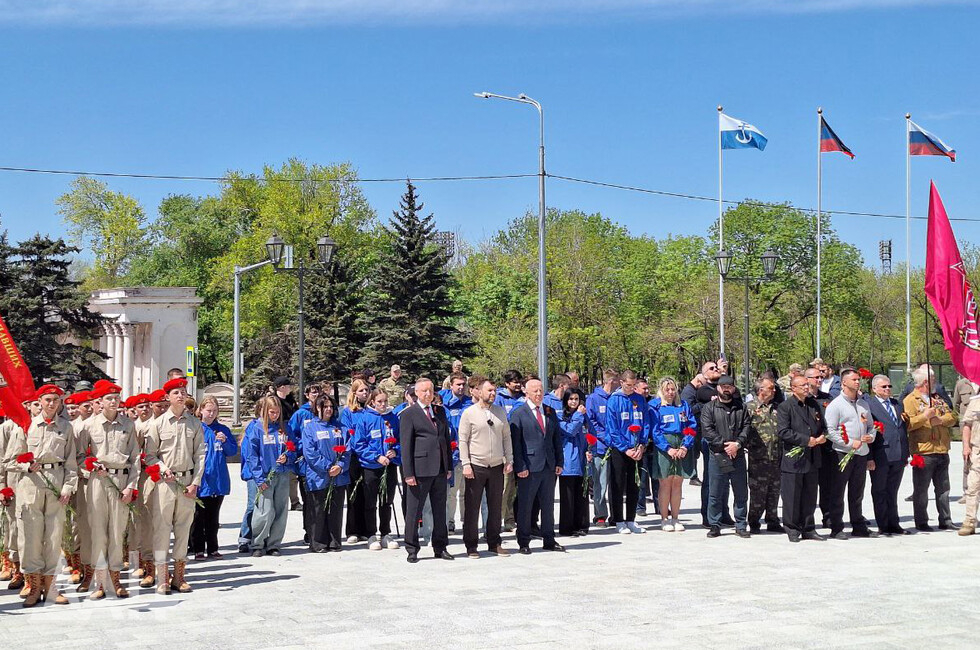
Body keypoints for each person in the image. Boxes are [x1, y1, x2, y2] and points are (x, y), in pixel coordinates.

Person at [9, 385, 78, 607]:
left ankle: (51, 586)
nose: (51, 404)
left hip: (56, 485)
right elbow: (9, 460)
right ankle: (34, 585)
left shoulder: (66, 428)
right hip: (31, 486)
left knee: (53, 537)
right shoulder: (26, 426)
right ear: (39, 401)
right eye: (47, 400)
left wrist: (68, 487)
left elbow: (71, 463)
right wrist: (27, 467)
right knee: (30, 538)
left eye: (55, 400)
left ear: (60, 403)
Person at [74, 382, 139, 599]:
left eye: (116, 398)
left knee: (117, 531)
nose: (113, 401)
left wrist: (131, 486)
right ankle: (100, 582)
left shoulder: (128, 425)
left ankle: (116, 580)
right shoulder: (88, 426)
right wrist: (91, 465)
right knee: (98, 532)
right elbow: (80, 457)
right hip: (98, 482)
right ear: (99, 402)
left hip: (121, 481)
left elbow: (135, 459)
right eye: (109, 398)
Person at [144, 377, 205, 594]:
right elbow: (149, 455)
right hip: (165, 484)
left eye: (183, 392)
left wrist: (195, 482)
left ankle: (179, 577)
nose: (180, 396)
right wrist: (161, 467)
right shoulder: (157, 424)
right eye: (176, 393)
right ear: (167, 397)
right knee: (161, 530)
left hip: (187, 482)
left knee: (183, 529)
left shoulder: (195, 424)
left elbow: (200, 455)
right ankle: (162, 578)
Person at [458, 375, 513, 557]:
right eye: (489, 390)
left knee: (495, 507)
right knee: (472, 508)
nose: (493, 393)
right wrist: (466, 463)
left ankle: (494, 542)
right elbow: (463, 440)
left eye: (494, 391)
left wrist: (509, 459)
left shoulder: (499, 411)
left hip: (497, 465)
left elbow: (506, 436)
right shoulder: (469, 413)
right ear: (479, 392)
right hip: (476, 465)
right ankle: (471, 545)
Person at [400, 378, 454, 563]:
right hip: (420, 470)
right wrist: (408, 473)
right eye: (424, 391)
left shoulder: (439, 412)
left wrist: (448, 467)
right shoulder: (409, 414)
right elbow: (406, 446)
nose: (428, 394)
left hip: (439, 469)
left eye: (430, 391)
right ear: (416, 393)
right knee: (414, 511)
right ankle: (412, 548)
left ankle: (440, 547)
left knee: (440, 511)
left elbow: (445, 440)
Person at [510, 378, 565, 554]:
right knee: (526, 505)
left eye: (541, 390)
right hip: (529, 466)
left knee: (548, 505)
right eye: (535, 391)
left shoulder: (549, 412)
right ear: (526, 392)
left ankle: (549, 539)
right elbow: (516, 443)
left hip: (548, 466)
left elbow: (556, 438)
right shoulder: (519, 413)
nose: (539, 394)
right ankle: (524, 541)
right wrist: (520, 466)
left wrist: (559, 461)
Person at [824, 368, 878, 539]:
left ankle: (858, 525)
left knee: (857, 492)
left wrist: (871, 436)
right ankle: (837, 527)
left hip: (861, 453)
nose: (857, 382)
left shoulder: (863, 403)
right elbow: (830, 431)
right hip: (842, 454)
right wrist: (847, 443)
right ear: (844, 382)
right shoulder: (836, 405)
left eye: (858, 379)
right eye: (854, 379)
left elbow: (871, 425)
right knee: (838, 491)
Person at [904, 366, 957, 531]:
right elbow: (908, 424)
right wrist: (924, 417)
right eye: (933, 380)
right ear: (925, 381)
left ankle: (946, 520)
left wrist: (940, 420)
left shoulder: (937, 398)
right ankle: (922, 521)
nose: (935, 383)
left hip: (941, 448)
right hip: (924, 450)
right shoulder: (910, 400)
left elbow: (952, 416)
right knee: (921, 490)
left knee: (943, 489)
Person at [244, 395, 298, 557]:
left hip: (282, 474)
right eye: (272, 412)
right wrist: (260, 478)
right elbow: (251, 455)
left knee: (281, 510)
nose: (274, 415)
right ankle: (257, 543)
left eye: (277, 412)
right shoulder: (258, 428)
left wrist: (288, 457)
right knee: (264, 511)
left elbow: (293, 447)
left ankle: (274, 543)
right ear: (265, 411)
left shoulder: (284, 428)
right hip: (265, 476)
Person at [777, 376, 828, 542]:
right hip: (795, 458)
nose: (807, 387)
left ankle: (808, 528)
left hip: (813, 458)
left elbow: (823, 426)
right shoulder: (785, 407)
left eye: (808, 384)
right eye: (803, 385)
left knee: (810, 495)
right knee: (792, 496)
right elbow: (783, 432)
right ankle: (792, 528)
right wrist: (807, 440)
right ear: (793, 388)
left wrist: (822, 437)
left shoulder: (814, 404)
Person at [701, 376, 750, 538]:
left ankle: (741, 524)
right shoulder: (709, 408)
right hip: (717, 455)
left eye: (729, 386)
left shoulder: (741, 408)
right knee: (715, 492)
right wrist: (725, 445)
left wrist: (737, 444)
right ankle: (715, 524)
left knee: (741, 492)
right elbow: (707, 430)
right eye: (723, 386)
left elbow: (747, 428)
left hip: (738, 455)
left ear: (734, 388)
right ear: (718, 389)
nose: (726, 389)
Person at [352, 390, 401, 551]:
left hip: (389, 465)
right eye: (379, 401)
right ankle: (371, 533)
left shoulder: (393, 418)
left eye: (385, 401)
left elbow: (401, 439)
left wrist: (395, 451)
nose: (383, 404)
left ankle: (386, 532)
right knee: (370, 501)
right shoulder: (365, 418)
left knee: (386, 501)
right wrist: (376, 456)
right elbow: (359, 444)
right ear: (372, 402)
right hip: (371, 466)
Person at [190, 396, 237, 560]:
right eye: (208, 410)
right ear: (201, 410)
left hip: (218, 479)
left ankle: (213, 548)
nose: (211, 414)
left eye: (215, 411)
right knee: (199, 516)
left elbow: (232, 451)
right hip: (201, 479)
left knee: (213, 516)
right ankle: (197, 548)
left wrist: (225, 442)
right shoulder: (196, 428)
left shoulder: (222, 429)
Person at [302, 395, 351, 551]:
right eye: (325, 406)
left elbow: (348, 449)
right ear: (318, 408)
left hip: (338, 476)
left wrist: (340, 466)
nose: (329, 409)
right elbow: (310, 452)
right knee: (318, 510)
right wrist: (327, 467)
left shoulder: (340, 427)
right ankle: (318, 542)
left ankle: (334, 541)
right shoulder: (310, 428)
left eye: (331, 406)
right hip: (318, 476)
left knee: (335, 510)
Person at [648, 377, 697, 532]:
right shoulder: (655, 406)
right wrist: (667, 448)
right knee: (665, 482)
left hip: (681, 444)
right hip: (664, 446)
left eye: (673, 389)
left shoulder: (683, 405)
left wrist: (685, 446)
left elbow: (691, 426)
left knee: (677, 482)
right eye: (667, 390)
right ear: (661, 391)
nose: (670, 393)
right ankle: (664, 518)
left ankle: (676, 517)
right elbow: (654, 430)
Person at [602, 369, 647, 535]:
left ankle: (631, 519)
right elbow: (612, 429)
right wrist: (625, 449)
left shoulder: (639, 400)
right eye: (629, 385)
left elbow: (645, 423)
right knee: (618, 484)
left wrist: (642, 444)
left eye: (634, 385)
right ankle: (618, 520)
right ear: (621, 383)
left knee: (634, 484)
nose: (631, 388)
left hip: (637, 449)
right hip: (620, 450)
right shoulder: (614, 401)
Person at [864, 375, 910, 536]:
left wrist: (905, 454)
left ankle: (894, 523)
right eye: (883, 387)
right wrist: (869, 457)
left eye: (889, 386)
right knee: (879, 490)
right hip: (880, 454)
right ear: (874, 389)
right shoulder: (869, 405)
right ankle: (883, 524)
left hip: (898, 454)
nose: (888, 389)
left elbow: (902, 430)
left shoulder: (897, 404)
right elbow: (867, 430)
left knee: (892, 491)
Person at [745, 377, 782, 534]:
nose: (774, 391)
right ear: (761, 390)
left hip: (776, 456)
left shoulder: (777, 408)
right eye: (771, 388)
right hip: (758, 457)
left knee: (774, 490)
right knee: (758, 491)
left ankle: (773, 520)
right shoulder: (749, 408)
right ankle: (754, 521)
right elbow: (744, 430)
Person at [586, 369, 619, 527]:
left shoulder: (617, 398)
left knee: (617, 483)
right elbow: (591, 422)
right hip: (601, 447)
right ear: (611, 381)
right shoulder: (593, 399)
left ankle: (617, 515)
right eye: (618, 381)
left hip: (617, 446)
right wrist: (606, 437)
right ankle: (600, 515)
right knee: (601, 482)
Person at [439, 372, 472, 534]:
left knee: (466, 492)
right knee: (451, 492)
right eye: (458, 384)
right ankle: (449, 521)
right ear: (451, 385)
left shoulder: (469, 403)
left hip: (468, 454)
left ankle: (467, 521)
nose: (461, 387)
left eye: (463, 384)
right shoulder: (443, 402)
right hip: (451, 454)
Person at [557, 388, 590, 537]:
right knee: (568, 496)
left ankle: (581, 525)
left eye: (576, 399)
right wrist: (578, 415)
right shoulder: (560, 416)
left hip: (583, 459)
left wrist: (591, 449)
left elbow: (590, 433)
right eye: (571, 399)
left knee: (582, 494)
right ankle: (566, 527)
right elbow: (570, 430)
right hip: (568, 460)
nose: (574, 402)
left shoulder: (583, 416)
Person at [494, 369, 525, 531]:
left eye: (519, 381)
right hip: (505, 447)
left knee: (515, 487)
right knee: (505, 486)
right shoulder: (499, 399)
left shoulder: (523, 398)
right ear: (507, 383)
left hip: (521, 446)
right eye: (514, 381)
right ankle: (498, 519)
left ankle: (510, 519)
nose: (518, 384)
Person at [341, 379, 371, 544]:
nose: (364, 393)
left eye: (366, 390)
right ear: (354, 393)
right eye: (361, 391)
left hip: (368, 455)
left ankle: (366, 529)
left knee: (367, 493)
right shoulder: (348, 412)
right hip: (354, 455)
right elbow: (348, 432)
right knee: (353, 493)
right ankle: (353, 529)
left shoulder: (370, 410)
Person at [953, 376, 978, 503]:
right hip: (968, 427)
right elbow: (956, 405)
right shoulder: (961, 384)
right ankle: (967, 491)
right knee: (967, 458)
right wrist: (963, 419)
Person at [679, 372, 705, 486]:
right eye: (702, 385)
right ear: (698, 382)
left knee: (697, 452)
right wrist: (702, 405)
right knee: (693, 452)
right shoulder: (688, 392)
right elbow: (687, 410)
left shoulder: (693, 390)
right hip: (692, 426)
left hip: (698, 425)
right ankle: (693, 476)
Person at [959, 396, 980, 535]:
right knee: (973, 486)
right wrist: (966, 446)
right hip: (978, 450)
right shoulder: (975, 401)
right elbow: (967, 425)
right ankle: (970, 521)